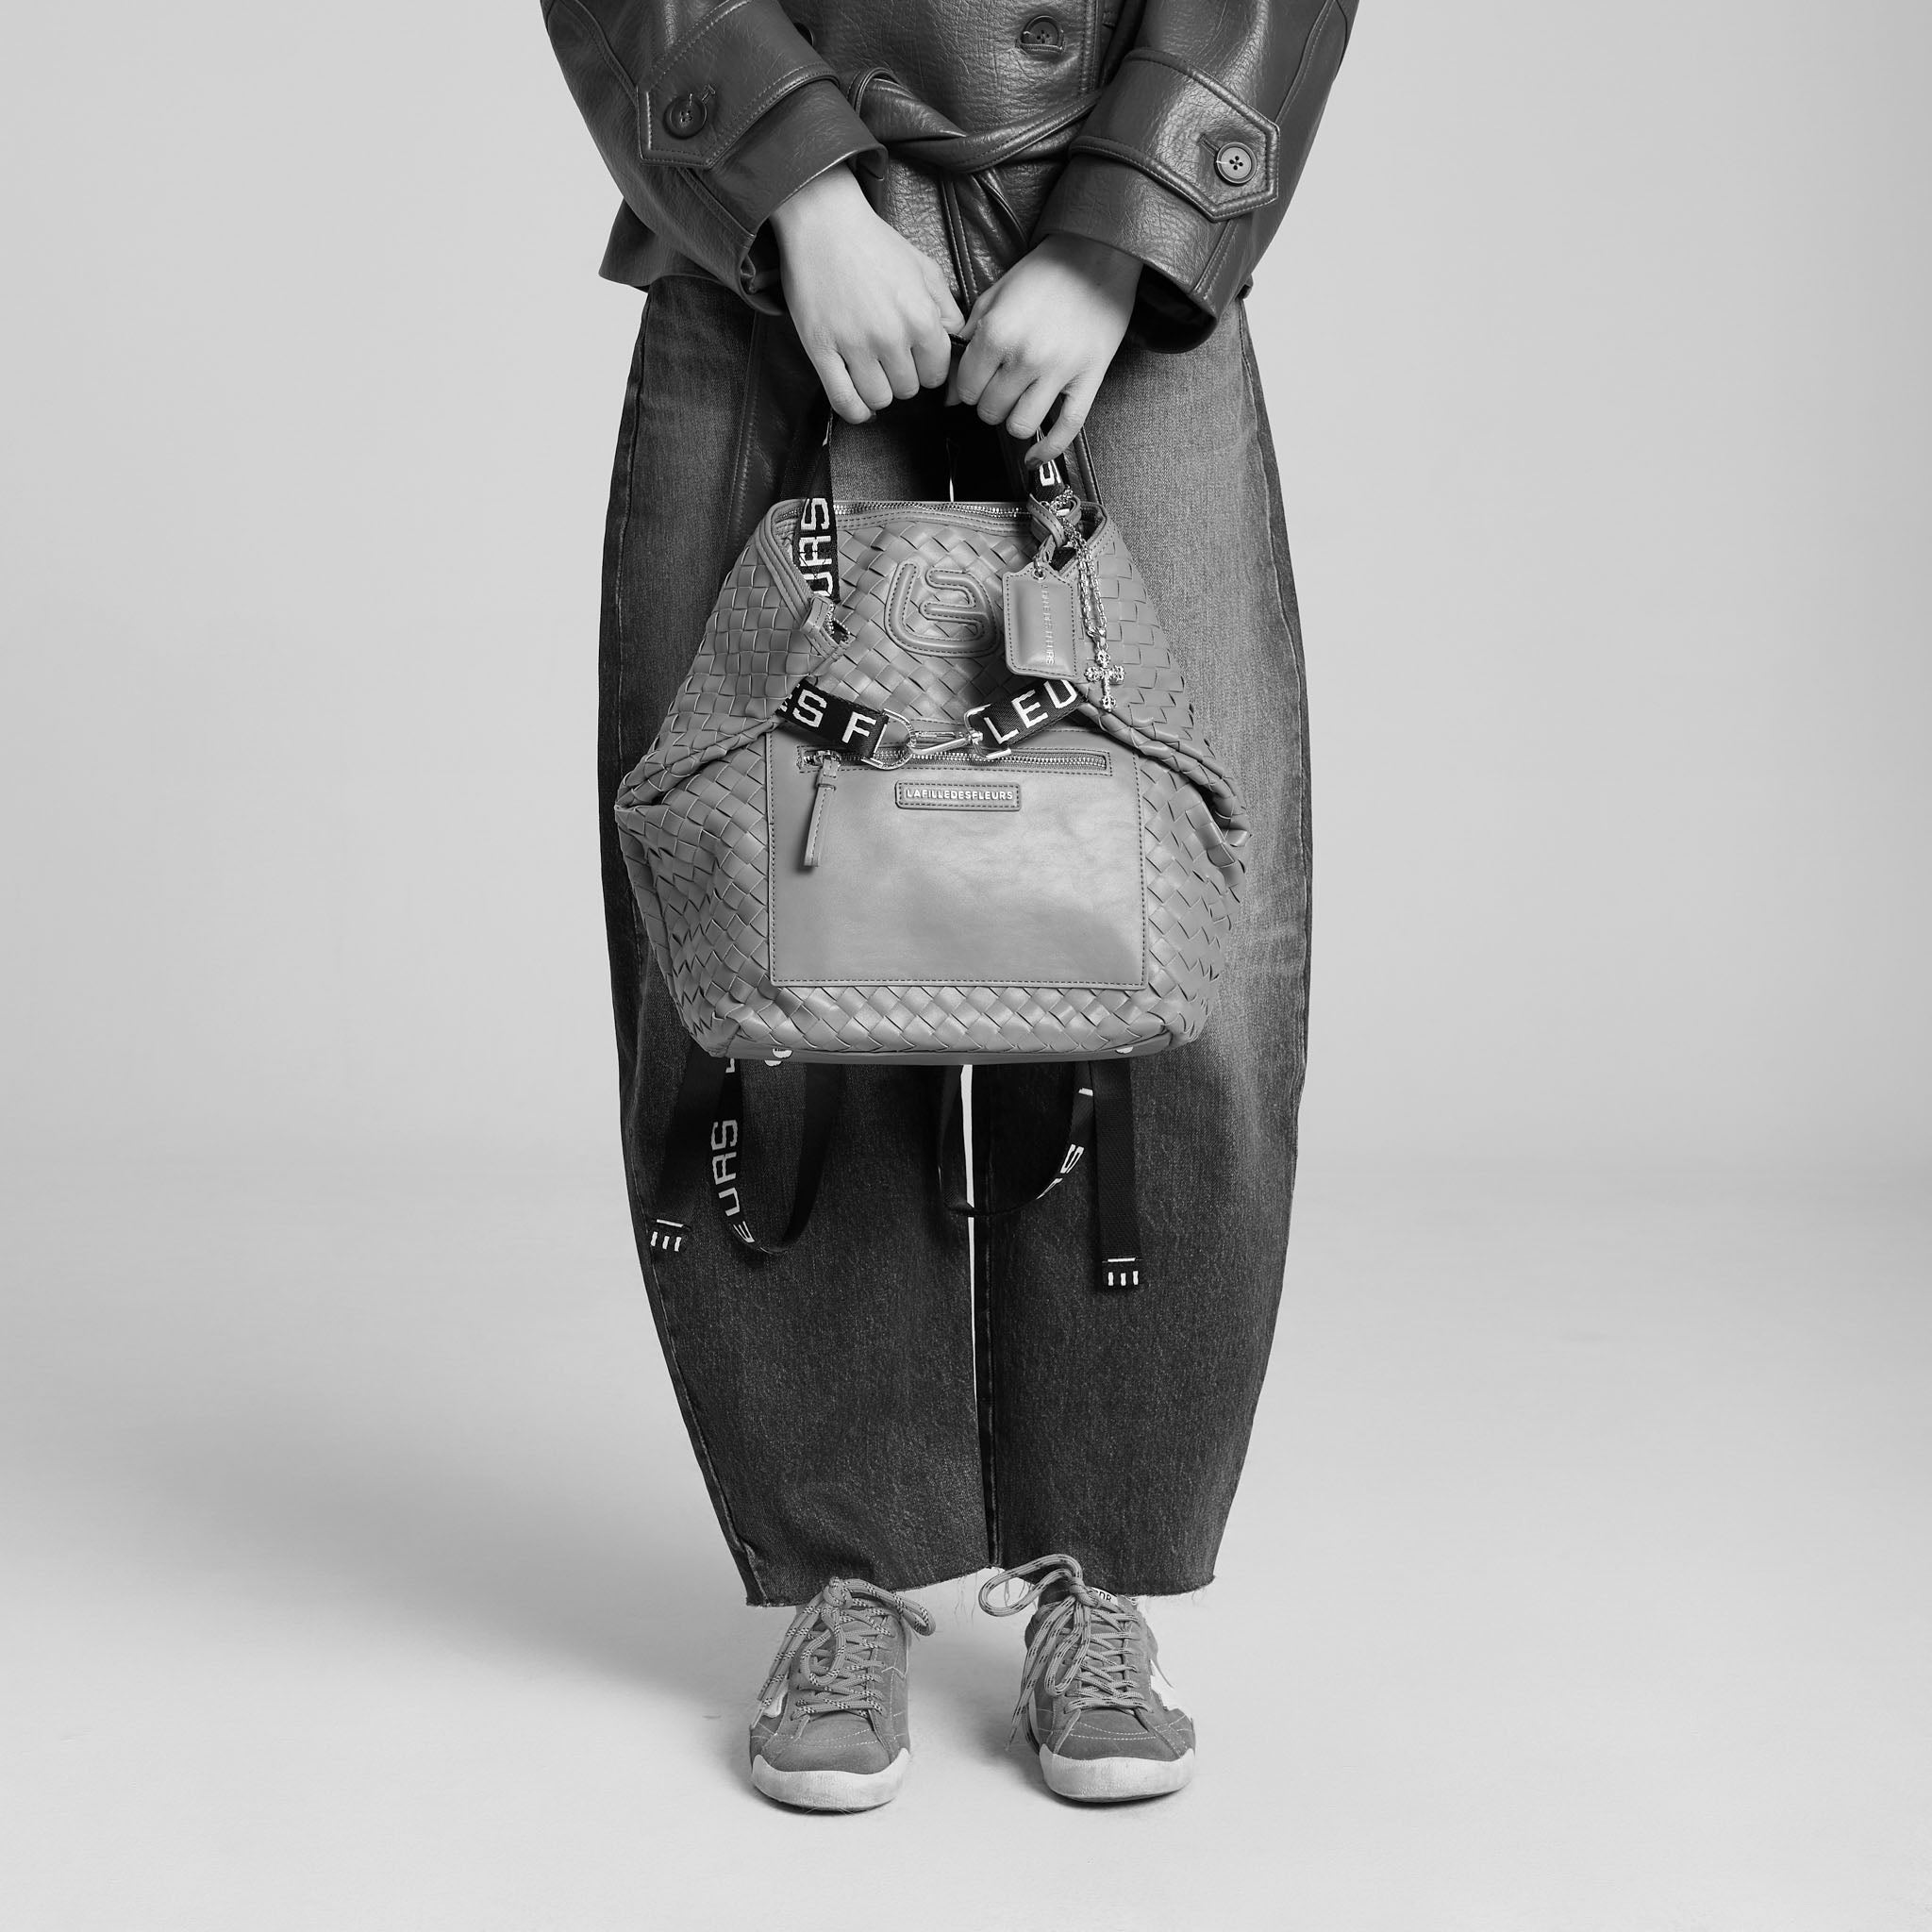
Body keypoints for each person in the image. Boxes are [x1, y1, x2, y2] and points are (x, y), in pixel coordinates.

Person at [542, 0, 1359, 1810]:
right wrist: (798, 192)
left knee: (1175, 935)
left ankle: (1101, 1566)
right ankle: (846, 1568)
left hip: (1113, 241)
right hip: (777, 255)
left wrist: (1131, 227)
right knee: (773, 927)